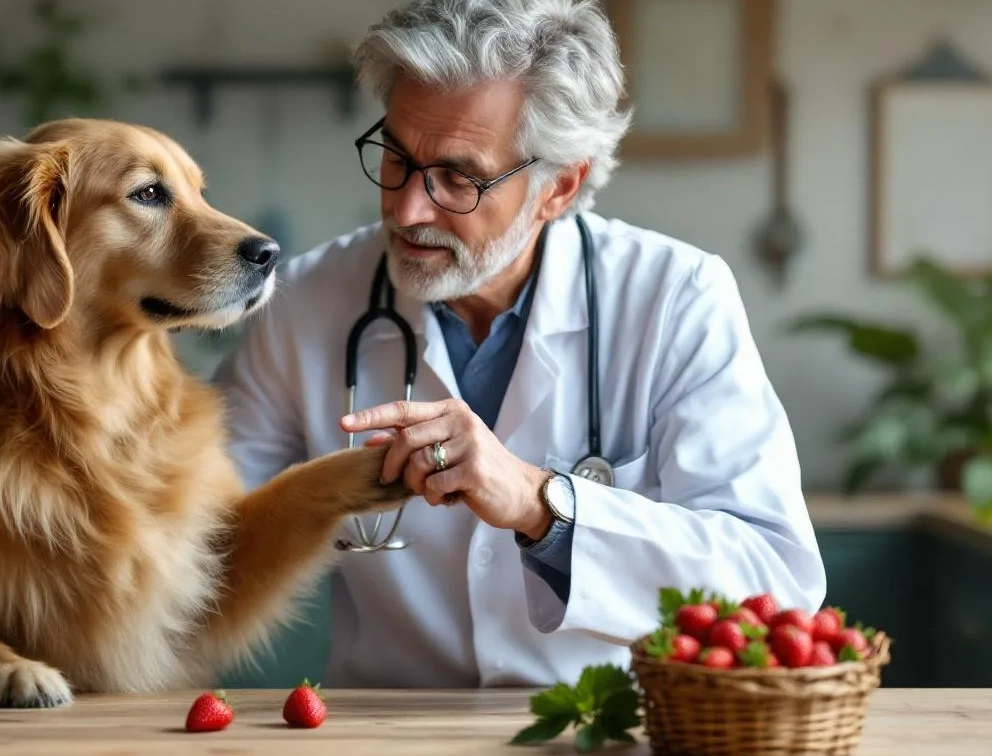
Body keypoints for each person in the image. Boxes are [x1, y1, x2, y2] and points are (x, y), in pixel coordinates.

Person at [212, 0, 826, 688]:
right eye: (397, 157)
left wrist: (544, 504)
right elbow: (204, 537)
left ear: (557, 187)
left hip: (606, 730)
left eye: (459, 178)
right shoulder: (306, 302)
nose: (407, 208)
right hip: (386, 733)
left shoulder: (675, 298)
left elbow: (774, 581)